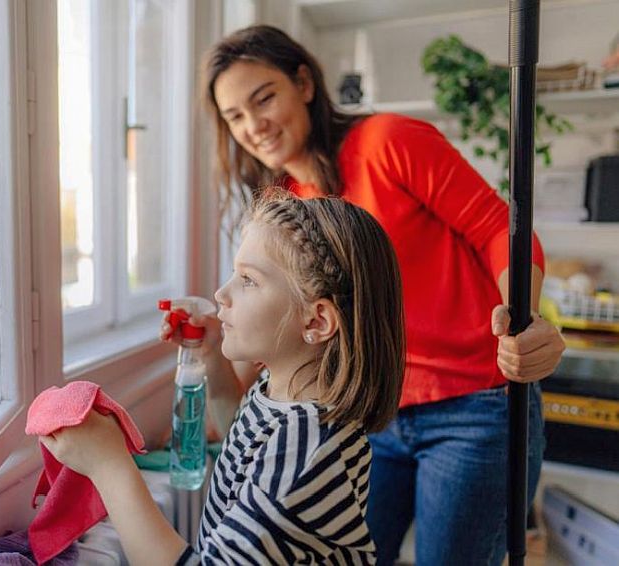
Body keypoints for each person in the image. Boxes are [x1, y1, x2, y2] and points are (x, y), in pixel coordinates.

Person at [199, 25, 566, 566]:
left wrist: (522, 319)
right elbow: (278, 339)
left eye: (264, 98)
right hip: (367, 410)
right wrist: (210, 348)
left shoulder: (387, 142)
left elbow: (500, 230)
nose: (253, 126)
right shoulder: (289, 205)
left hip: (475, 404)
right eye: (235, 116)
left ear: (304, 83)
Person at [38, 194, 406, 565]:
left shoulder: (309, 448)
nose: (221, 294)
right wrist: (212, 355)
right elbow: (244, 439)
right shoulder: (284, 395)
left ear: (316, 321)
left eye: (248, 280)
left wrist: (109, 467)